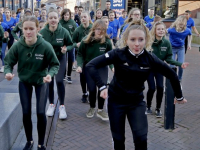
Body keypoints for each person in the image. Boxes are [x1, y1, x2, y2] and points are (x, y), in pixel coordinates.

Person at [86, 19, 187, 150]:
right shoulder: (118, 54)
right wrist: (102, 86)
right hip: (116, 101)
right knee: (119, 139)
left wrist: (179, 97)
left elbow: (172, 74)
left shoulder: (150, 58)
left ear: (146, 40)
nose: (137, 44)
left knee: (141, 138)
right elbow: (91, 65)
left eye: (141, 39)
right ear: (126, 40)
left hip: (136, 102)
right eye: (133, 39)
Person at [4, 16, 59, 150]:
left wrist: (49, 75)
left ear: (38, 29)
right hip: (25, 82)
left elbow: (55, 64)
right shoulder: (18, 46)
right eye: (26, 29)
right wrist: (8, 72)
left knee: (40, 113)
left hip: (41, 81)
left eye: (31, 29)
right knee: (26, 112)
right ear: (22, 30)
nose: (28, 32)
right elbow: (8, 62)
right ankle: (29, 141)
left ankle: (41, 143)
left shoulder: (45, 46)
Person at [146, 21, 189, 117]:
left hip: (160, 68)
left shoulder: (167, 43)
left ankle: (158, 108)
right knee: (152, 88)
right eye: (159, 29)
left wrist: (180, 64)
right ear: (154, 31)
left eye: (162, 29)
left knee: (160, 87)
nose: (161, 31)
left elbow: (169, 59)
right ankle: (148, 106)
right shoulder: (149, 42)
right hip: (149, 69)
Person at [76, 19, 113, 121]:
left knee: (102, 88)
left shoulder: (107, 42)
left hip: (102, 67)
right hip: (89, 67)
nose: (100, 32)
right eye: (98, 29)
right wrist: (79, 65)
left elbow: (111, 56)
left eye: (103, 30)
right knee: (92, 89)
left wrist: (112, 67)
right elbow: (80, 54)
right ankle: (92, 107)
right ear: (93, 30)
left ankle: (100, 110)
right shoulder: (86, 41)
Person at [40, 9, 74, 119]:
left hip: (60, 58)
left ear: (58, 19)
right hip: (48, 60)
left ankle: (62, 106)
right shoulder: (43, 32)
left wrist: (66, 49)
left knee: (59, 81)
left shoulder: (64, 31)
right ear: (47, 19)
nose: (53, 20)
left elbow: (71, 44)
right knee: (49, 82)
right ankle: (51, 104)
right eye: (51, 18)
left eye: (55, 18)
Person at [72, 11, 93, 103]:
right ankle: (84, 93)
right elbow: (71, 43)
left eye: (85, 17)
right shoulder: (78, 30)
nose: (83, 19)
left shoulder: (93, 29)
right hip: (81, 56)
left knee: (91, 75)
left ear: (89, 18)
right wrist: (77, 44)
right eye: (82, 17)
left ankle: (90, 92)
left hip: (92, 55)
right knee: (83, 75)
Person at [167, 15, 192, 82]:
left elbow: (190, 35)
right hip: (172, 48)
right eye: (180, 24)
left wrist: (189, 44)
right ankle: (172, 78)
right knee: (172, 65)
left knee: (181, 64)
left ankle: (179, 78)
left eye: (183, 25)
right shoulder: (171, 29)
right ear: (177, 23)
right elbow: (165, 33)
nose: (181, 26)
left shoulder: (187, 30)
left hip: (181, 48)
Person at [59, 8, 77, 83]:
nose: (66, 16)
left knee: (70, 59)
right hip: (62, 44)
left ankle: (69, 76)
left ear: (69, 16)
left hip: (70, 43)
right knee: (63, 59)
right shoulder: (60, 22)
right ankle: (63, 75)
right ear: (62, 15)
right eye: (65, 15)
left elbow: (76, 32)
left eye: (67, 15)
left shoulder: (72, 22)